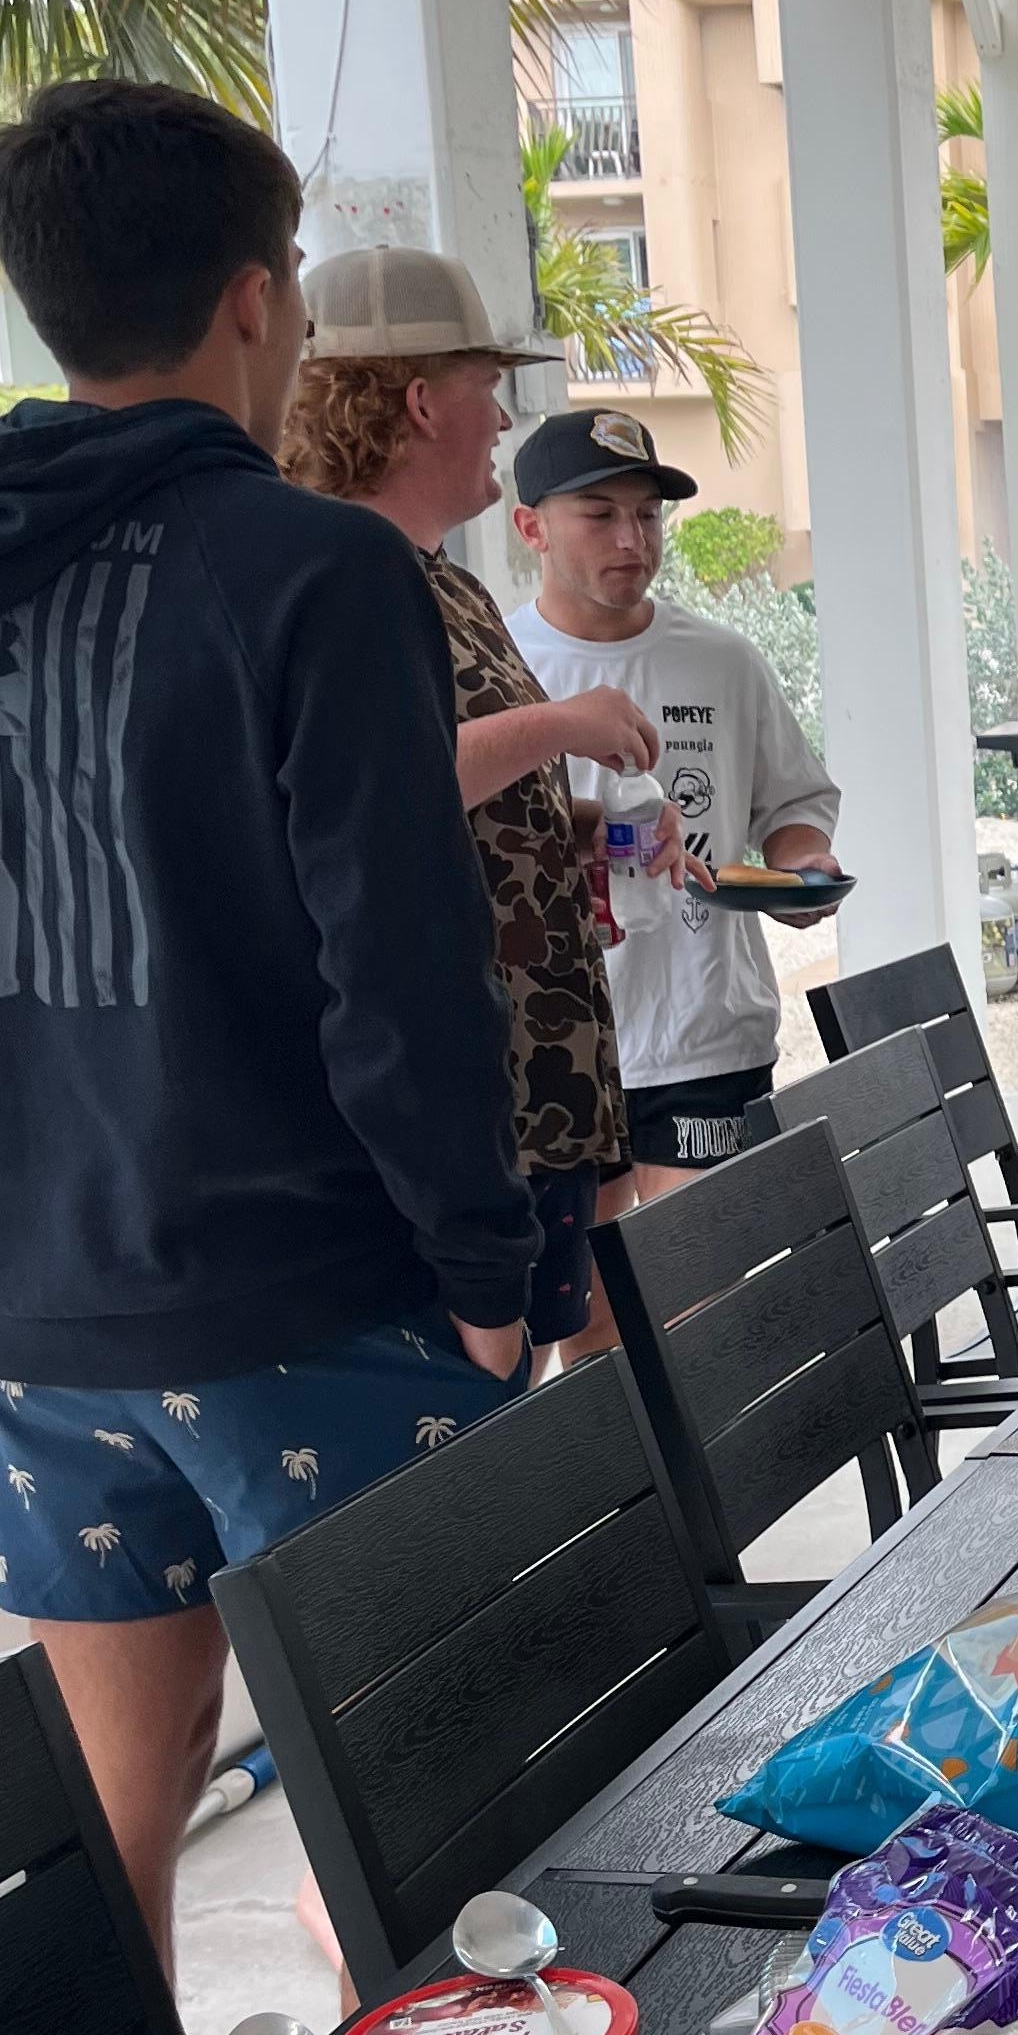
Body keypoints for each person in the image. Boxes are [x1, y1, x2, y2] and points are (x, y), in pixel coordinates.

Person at [0, 84, 535, 1960]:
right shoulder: (309, 567)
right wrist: (487, 1261)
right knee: (445, 1831)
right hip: (315, 1307)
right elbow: (399, 956)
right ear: (256, 302)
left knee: (121, 1837)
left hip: (46, 1313)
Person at [280, 251, 646, 1361]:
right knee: (475, 1444)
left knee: (561, 1400)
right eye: (488, 382)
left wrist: (584, 827)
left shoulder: (445, 575)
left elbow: (461, 801)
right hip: (459, 1111)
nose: (503, 415)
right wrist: (562, 726)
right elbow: (378, 792)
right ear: (419, 399)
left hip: (542, 1083)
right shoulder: (331, 578)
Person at [506, 408, 841, 1197]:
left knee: (698, 1299)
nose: (632, 539)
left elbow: (794, 802)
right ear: (531, 528)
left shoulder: (723, 661)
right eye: (599, 515)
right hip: (551, 1041)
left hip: (707, 1036)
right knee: (588, 1314)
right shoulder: (501, 665)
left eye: (647, 516)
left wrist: (801, 868)